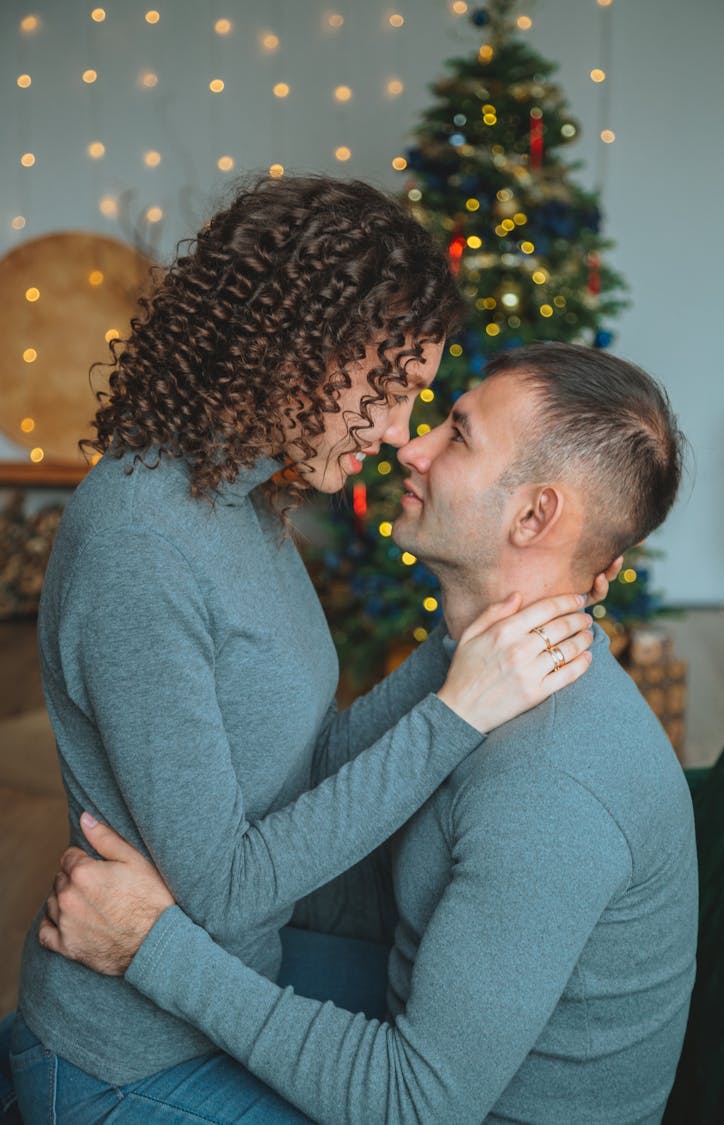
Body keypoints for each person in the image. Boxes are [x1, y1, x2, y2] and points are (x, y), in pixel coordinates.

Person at [6, 179, 603, 1121]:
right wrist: (457, 713)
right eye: (396, 388)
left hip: (223, 989)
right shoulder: (140, 541)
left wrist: (459, 648)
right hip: (129, 1061)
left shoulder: (238, 498)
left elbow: (303, 761)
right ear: (300, 354)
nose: (403, 433)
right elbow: (229, 887)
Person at [33, 342, 697, 1124]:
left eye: (457, 433)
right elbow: (348, 833)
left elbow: (414, 1101)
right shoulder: (487, 676)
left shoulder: (552, 785)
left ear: (535, 514)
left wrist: (150, 942)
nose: (408, 445)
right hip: (418, 1016)